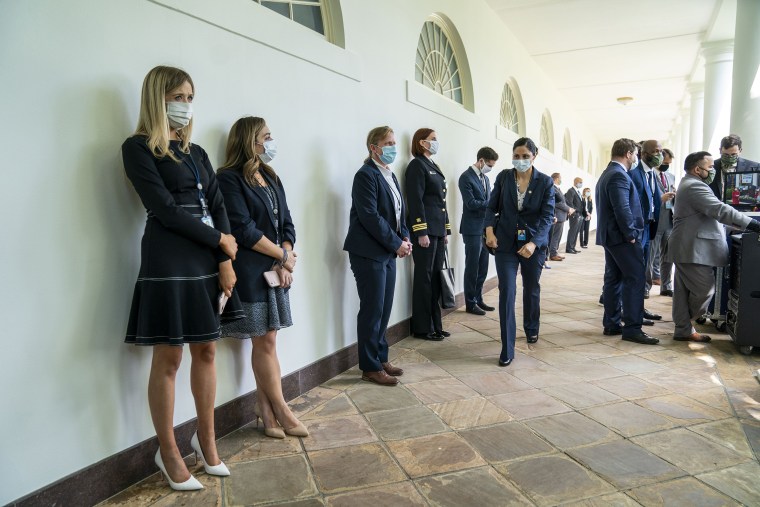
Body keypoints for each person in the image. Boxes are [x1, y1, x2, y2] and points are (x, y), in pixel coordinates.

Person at [122, 66, 241, 490]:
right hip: (168, 255)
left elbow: (218, 203)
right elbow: (166, 210)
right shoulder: (137, 148)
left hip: (207, 256)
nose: (185, 104)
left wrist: (225, 256)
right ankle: (168, 451)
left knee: (207, 350)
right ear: (158, 98)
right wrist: (220, 241)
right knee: (170, 357)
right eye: (178, 96)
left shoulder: (198, 153)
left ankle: (205, 441)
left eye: (190, 97)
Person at [217, 116, 308, 439]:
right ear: (249, 141)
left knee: (268, 340)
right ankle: (281, 408)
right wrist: (281, 256)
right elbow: (242, 229)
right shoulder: (228, 179)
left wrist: (285, 257)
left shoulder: (269, 175)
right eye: (266, 136)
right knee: (265, 340)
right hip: (251, 270)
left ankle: (264, 408)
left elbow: (287, 223)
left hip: (276, 270)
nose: (271, 142)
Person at [664, 151, 760, 341]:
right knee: (705, 290)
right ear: (697, 169)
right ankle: (684, 323)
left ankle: (683, 329)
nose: (713, 170)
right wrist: (754, 224)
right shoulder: (694, 186)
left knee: (683, 292)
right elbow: (719, 210)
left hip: (688, 246)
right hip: (692, 248)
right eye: (710, 167)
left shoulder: (691, 183)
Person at [344, 126, 413, 386]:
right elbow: (370, 217)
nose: (394, 147)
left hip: (388, 250)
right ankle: (370, 367)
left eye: (394, 142)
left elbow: (398, 213)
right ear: (374, 147)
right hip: (367, 252)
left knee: (384, 309)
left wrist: (404, 237)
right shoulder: (365, 175)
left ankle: (381, 357)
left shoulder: (389, 175)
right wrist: (396, 243)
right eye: (389, 142)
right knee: (372, 310)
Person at [485, 138, 554, 366]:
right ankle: (507, 348)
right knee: (507, 291)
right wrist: (489, 232)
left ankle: (531, 327)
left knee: (531, 288)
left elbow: (546, 218)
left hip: (533, 245)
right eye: (517, 155)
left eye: (525, 156)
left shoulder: (544, 182)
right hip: (504, 242)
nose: (520, 160)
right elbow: (491, 207)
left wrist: (534, 243)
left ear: (535, 155)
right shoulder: (504, 177)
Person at [596, 138, 658, 344]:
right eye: (636, 154)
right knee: (636, 279)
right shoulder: (618, 175)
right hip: (622, 238)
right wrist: (631, 234)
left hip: (611, 237)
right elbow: (622, 208)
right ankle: (632, 328)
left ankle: (612, 324)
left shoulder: (608, 173)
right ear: (629, 154)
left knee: (614, 280)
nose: (636, 159)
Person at [405, 128, 451, 340]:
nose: (436, 142)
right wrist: (420, 231)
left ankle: (436, 324)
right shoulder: (416, 165)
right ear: (422, 143)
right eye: (433, 139)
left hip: (438, 231)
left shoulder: (433, 165)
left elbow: (441, 202)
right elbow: (415, 201)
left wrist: (446, 230)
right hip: (425, 232)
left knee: (435, 278)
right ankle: (423, 327)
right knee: (424, 278)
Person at [458, 147, 499, 316]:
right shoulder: (465, 177)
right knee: (472, 267)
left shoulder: (485, 179)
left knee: (483, 267)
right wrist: (490, 204)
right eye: (489, 164)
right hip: (472, 228)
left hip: (484, 228)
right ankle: (470, 302)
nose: (490, 168)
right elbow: (471, 203)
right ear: (481, 161)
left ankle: (478, 297)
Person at [629, 140, 663, 301]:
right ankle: (632, 307)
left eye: (660, 151)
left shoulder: (652, 174)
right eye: (656, 151)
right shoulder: (635, 174)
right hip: (638, 228)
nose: (659, 155)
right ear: (644, 153)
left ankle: (639, 306)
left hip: (649, 226)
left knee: (643, 266)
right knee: (635, 267)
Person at [647, 148, 676, 296]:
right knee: (650, 256)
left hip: (669, 220)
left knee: (668, 256)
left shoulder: (671, 177)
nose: (667, 165)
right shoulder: (649, 175)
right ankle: (646, 287)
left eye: (669, 163)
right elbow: (645, 198)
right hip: (655, 220)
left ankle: (666, 286)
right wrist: (660, 198)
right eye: (665, 163)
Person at [708, 134, 760, 201]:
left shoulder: (754, 167)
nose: (729, 157)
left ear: (740, 150)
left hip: (742, 208)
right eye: (726, 154)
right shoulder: (710, 167)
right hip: (715, 208)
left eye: (733, 154)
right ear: (720, 150)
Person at [548, 173, 573, 261]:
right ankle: (552, 254)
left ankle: (555, 252)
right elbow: (557, 203)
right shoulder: (552, 188)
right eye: (560, 178)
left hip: (561, 215)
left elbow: (563, 201)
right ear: (556, 178)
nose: (561, 180)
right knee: (555, 236)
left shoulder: (558, 188)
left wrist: (569, 209)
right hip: (557, 216)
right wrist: (568, 209)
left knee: (558, 236)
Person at [564, 177, 584, 253]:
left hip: (580, 215)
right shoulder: (571, 191)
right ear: (576, 182)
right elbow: (569, 203)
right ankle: (569, 248)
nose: (581, 183)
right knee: (572, 231)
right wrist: (575, 213)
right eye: (580, 182)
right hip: (574, 215)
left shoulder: (578, 192)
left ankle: (573, 247)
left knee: (576, 231)